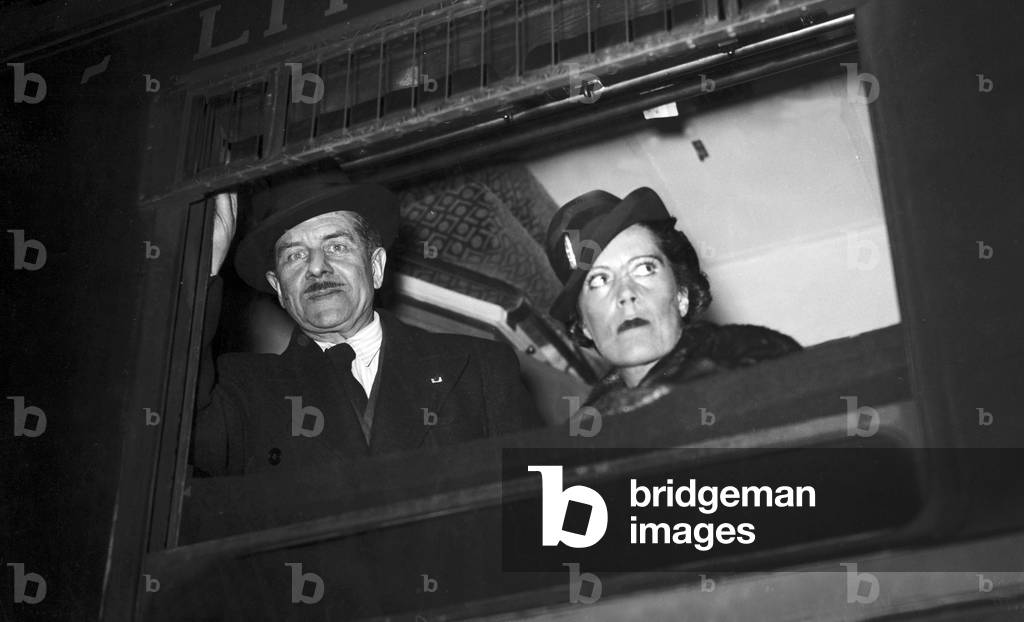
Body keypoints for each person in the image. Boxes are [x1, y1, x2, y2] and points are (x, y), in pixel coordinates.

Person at [192, 173, 534, 476]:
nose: (316, 268)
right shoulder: (242, 392)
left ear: (377, 267)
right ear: (279, 287)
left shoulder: (481, 369)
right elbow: (180, 431)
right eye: (295, 255)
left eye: (337, 246)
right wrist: (199, 270)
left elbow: (533, 506)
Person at [545, 187, 801, 416]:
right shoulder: (589, 425)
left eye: (644, 268)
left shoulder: (749, 355)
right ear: (584, 326)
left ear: (681, 295)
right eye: (599, 281)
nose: (625, 293)